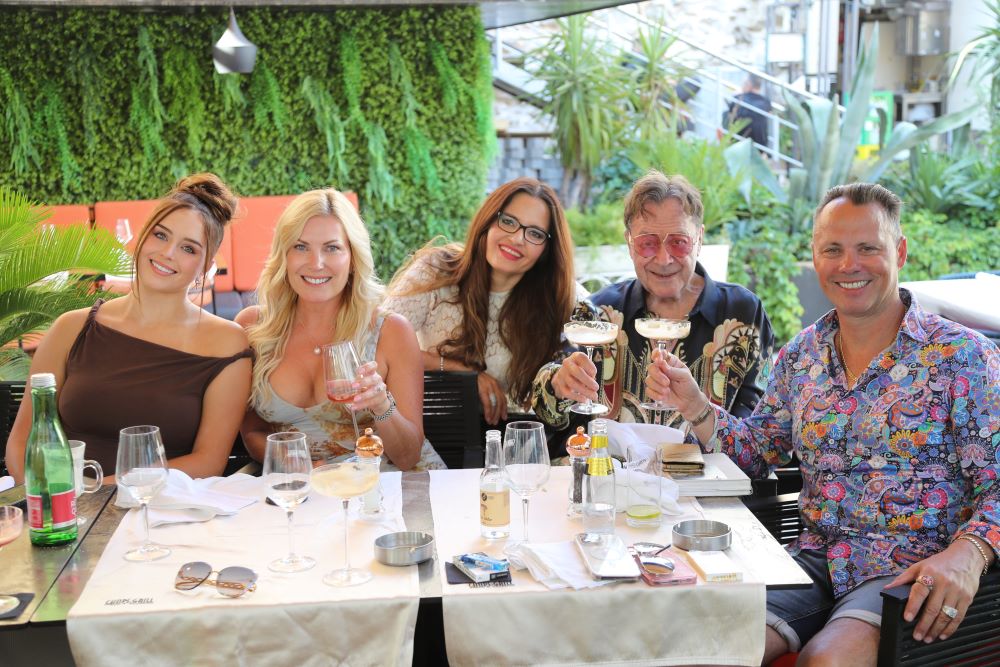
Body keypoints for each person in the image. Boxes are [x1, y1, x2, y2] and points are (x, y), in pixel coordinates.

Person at [649, 183, 998, 665]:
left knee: (827, 660)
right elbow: (757, 453)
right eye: (832, 249)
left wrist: (971, 553)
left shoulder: (963, 357)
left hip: (910, 571)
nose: (848, 265)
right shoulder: (801, 356)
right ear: (815, 257)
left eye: (867, 248)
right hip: (813, 560)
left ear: (899, 252)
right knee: (703, 644)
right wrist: (694, 405)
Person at [5, 173, 252, 480]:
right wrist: (52, 498)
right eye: (160, 235)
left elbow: (209, 461)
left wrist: (98, 493)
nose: (167, 253)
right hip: (61, 503)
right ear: (142, 237)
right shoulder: (71, 328)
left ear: (206, 267)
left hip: (159, 505)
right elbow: (21, 442)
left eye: (188, 248)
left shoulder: (227, 344)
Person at [532, 171, 774, 429]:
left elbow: (762, 426)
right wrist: (558, 384)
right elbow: (548, 413)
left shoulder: (743, 314)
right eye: (647, 243)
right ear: (629, 243)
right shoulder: (599, 311)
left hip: (710, 458)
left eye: (679, 242)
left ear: (699, 240)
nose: (663, 259)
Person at [237, 188, 444, 471]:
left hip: (388, 484)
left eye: (332, 248)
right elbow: (253, 431)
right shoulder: (253, 329)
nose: (316, 263)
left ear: (352, 259)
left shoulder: (390, 331)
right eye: (300, 247)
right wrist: (296, 464)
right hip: (306, 487)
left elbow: (408, 457)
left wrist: (382, 405)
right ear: (283, 256)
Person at [385, 177, 588, 428]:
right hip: (432, 431)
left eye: (535, 233)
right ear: (489, 220)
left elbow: (601, 328)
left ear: (546, 249)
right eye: (508, 221)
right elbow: (376, 344)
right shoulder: (436, 271)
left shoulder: (559, 294)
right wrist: (461, 371)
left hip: (514, 435)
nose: (517, 239)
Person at [724, 74, 772, 148]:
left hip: (737, 143)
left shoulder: (738, 99)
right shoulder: (766, 102)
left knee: (725, 115)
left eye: (744, 83)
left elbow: (730, 116)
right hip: (760, 145)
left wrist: (736, 95)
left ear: (749, 84)